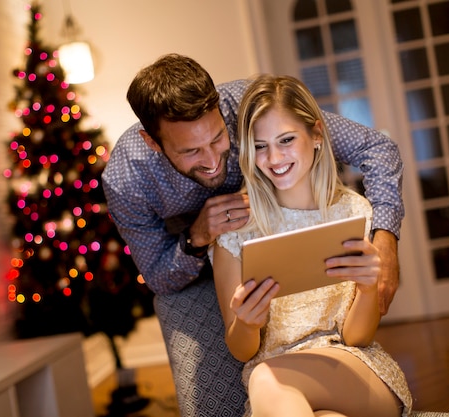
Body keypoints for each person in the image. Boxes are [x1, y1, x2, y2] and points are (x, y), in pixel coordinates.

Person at [101, 53, 404, 417]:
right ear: (153, 143)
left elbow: (377, 147)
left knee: (268, 381)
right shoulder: (128, 178)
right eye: (191, 151)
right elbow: (160, 278)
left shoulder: (254, 108)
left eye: (218, 139)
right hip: (247, 319)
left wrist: (385, 238)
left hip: (331, 366)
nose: (213, 161)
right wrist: (197, 238)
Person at [211, 73, 412, 417]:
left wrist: (367, 290)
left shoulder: (355, 212)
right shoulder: (235, 232)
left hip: (355, 370)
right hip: (275, 394)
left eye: (286, 140)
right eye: (260, 146)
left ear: (316, 134)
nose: (274, 158)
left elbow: (357, 338)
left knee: (266, 378)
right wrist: (246, 323)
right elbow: (242, 351)